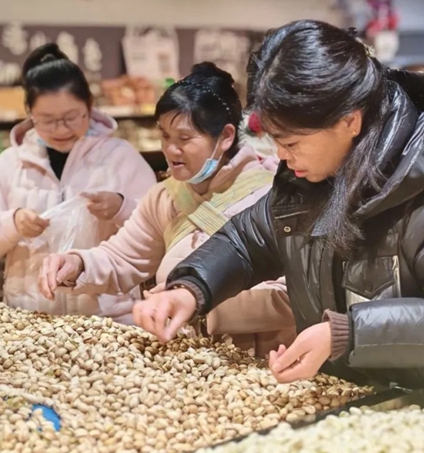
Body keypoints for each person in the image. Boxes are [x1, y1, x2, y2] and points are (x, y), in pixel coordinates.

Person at [130, 21, 424, 404]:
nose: (281, 155)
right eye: (275, 141)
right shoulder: (310, 179)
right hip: (361, 402)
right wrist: (191, 289)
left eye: (292, 142)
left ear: (350, 121)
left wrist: (348, 335)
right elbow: (248, 242)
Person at [38, 62, 296, 357]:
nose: (171, 150)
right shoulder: (164, 196)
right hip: (184, 357)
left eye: (185, 139)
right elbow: (122, 255)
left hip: (262, 362)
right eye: (165, 137)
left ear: (225, 137)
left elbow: (291, 295)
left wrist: (194, 301)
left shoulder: (270, 196)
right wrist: (77, 264)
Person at [0, 43, 157, 323]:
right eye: (47, 120)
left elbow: (158, 232)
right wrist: (13, 223)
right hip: (30, 321)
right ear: (29, 114)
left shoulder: (120, 157)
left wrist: (121, 207)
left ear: (90, 107)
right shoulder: (11, 164)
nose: (61, 129)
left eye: (71, 117)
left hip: (109, 320)